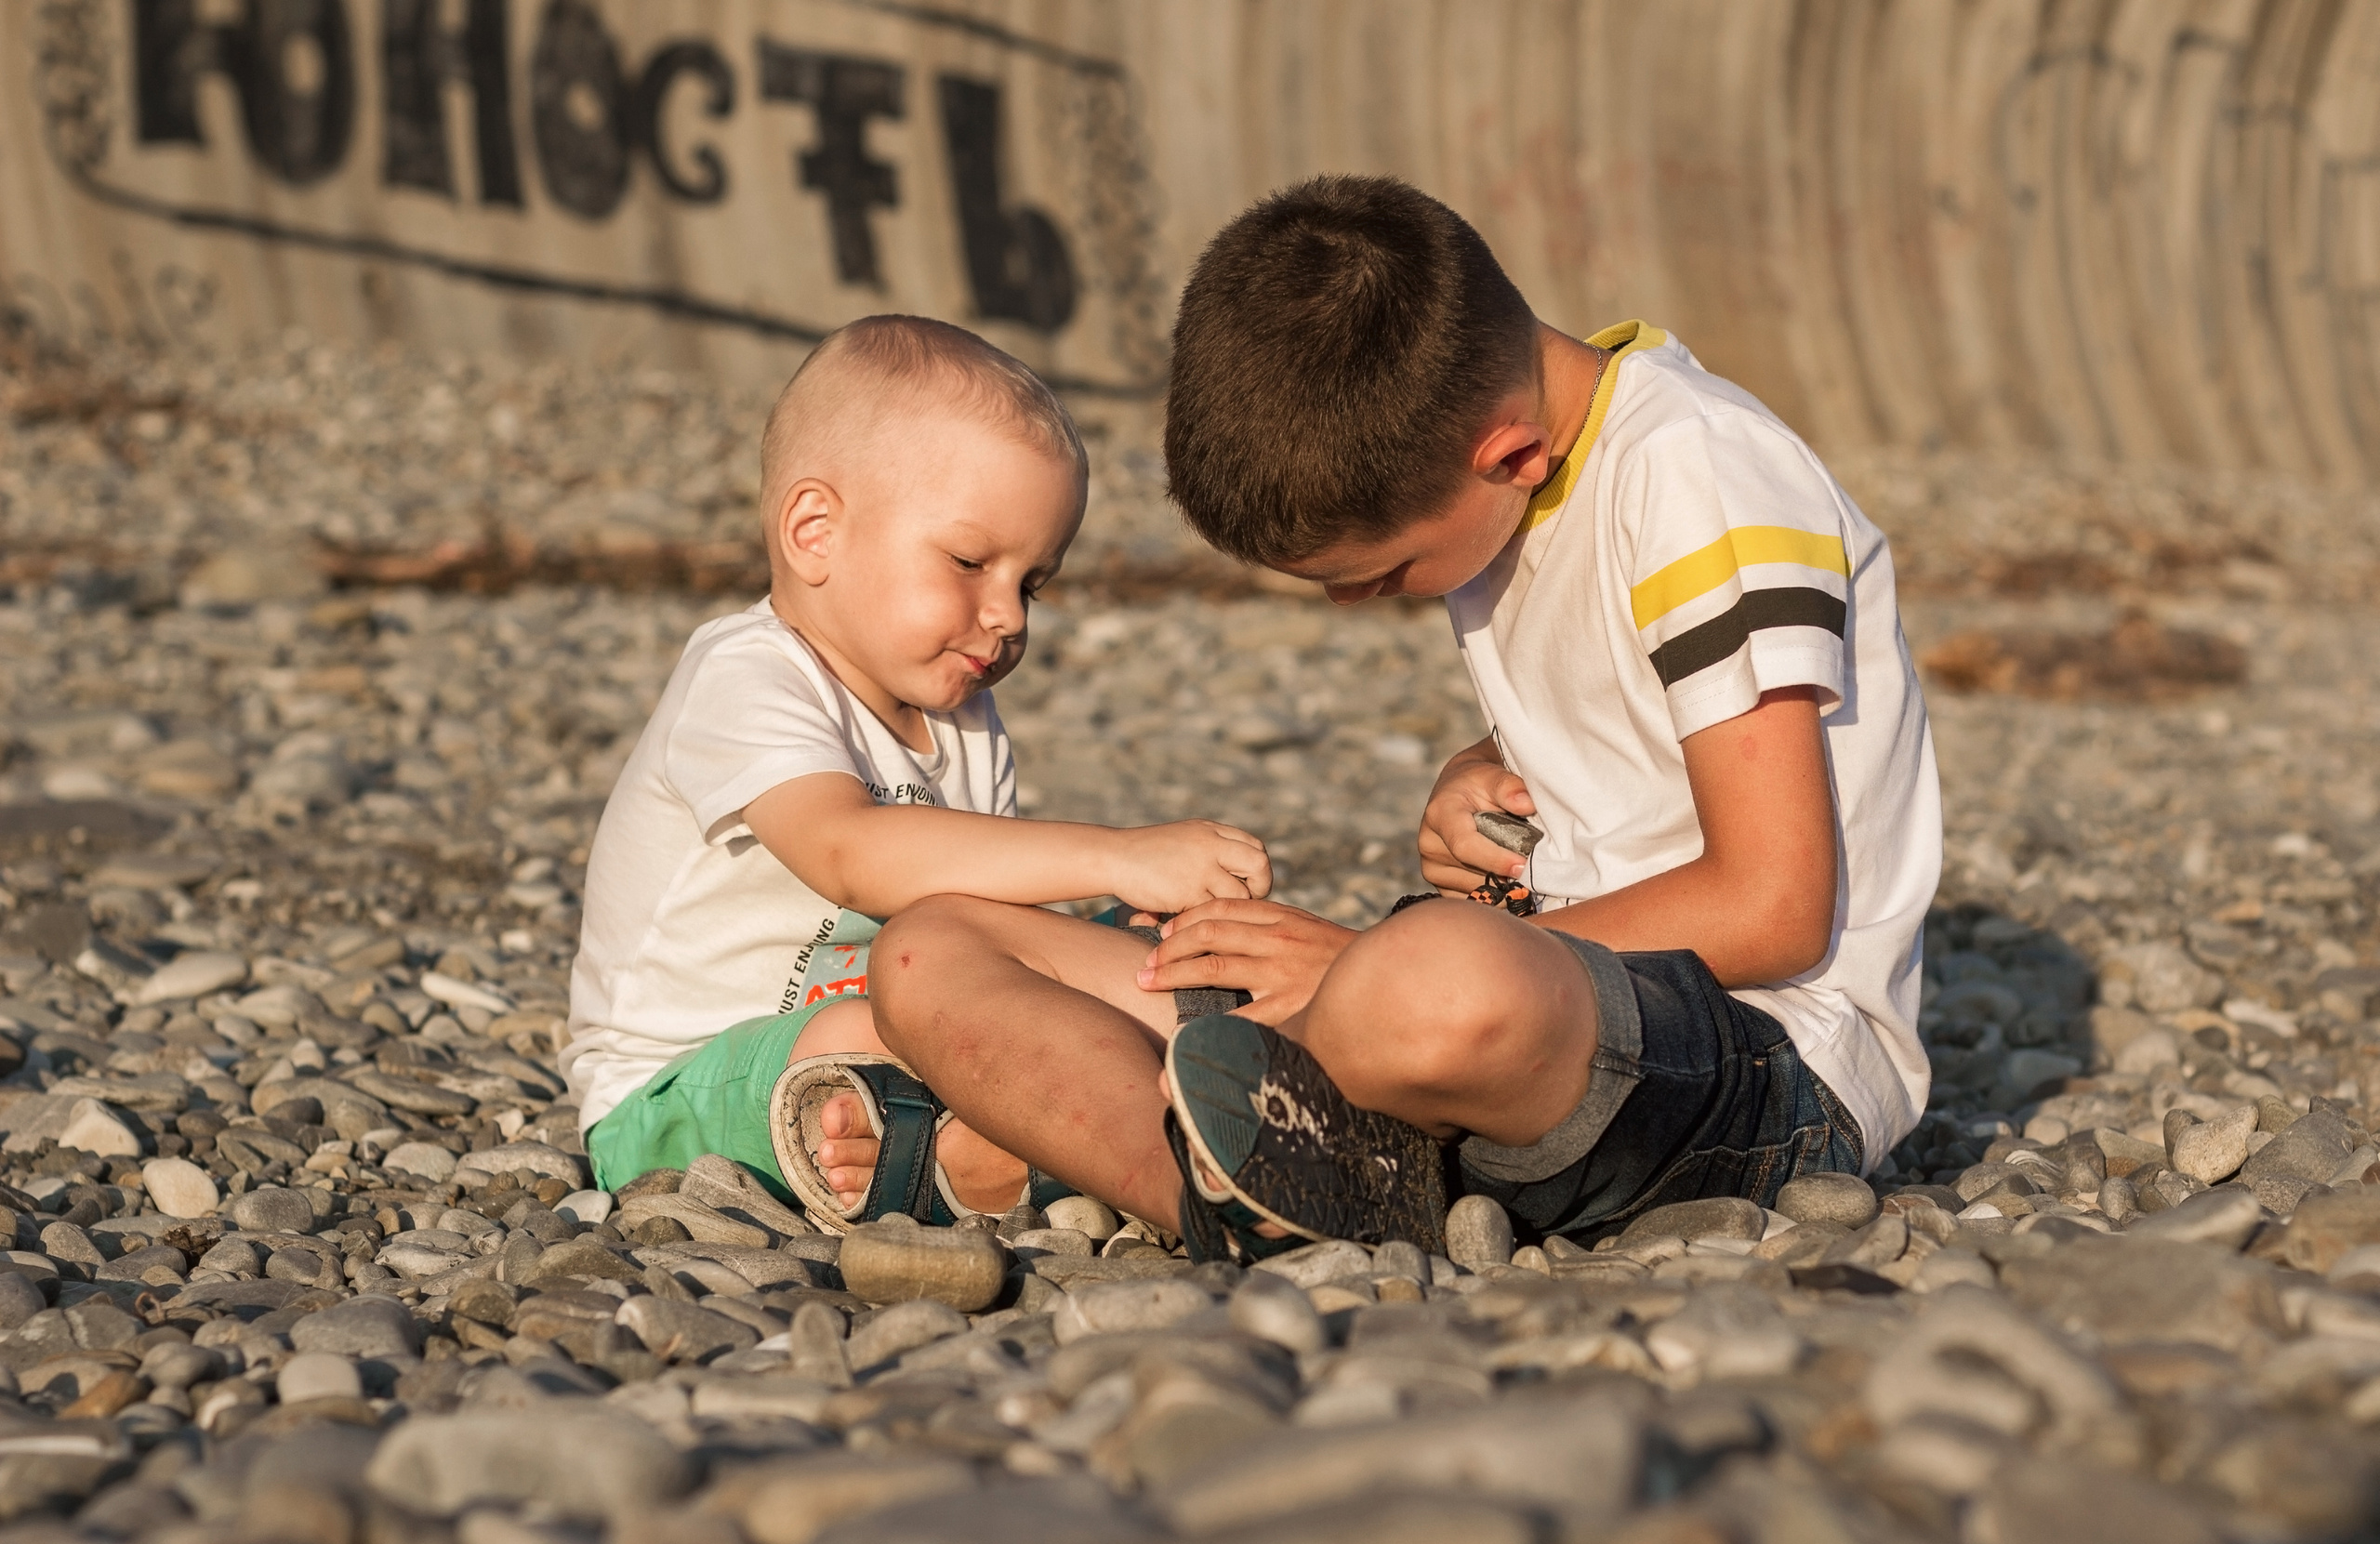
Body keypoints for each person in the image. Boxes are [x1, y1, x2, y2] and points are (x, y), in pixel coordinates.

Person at [864, 177, 1940, 1259]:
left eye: (1381, 573)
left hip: (1758, 1054)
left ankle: (1260, 1129)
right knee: (932, 948)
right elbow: (1634, 718)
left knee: (1435, 979)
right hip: (1518, 999)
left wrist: (1355, 964)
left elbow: (1775, 902)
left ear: (1509, 455)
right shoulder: (1518, 478)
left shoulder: (1700, 475)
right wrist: (1482, 775)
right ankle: (1245, 1198)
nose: (1356, 605)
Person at [559, 315, 1271, 1230]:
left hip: (897, 1021)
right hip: (676, 1089)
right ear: (814, 533)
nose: (1008, 615)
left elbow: (982, 922)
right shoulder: (745, 675)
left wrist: (1127, 931)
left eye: (1033, 583)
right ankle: (1015, 1150)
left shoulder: (962, 720)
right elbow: (851, 853)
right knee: (876, 1034)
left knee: (1123, 945)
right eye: (970, 562)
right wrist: (1118, 855)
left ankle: (1233, 1068)